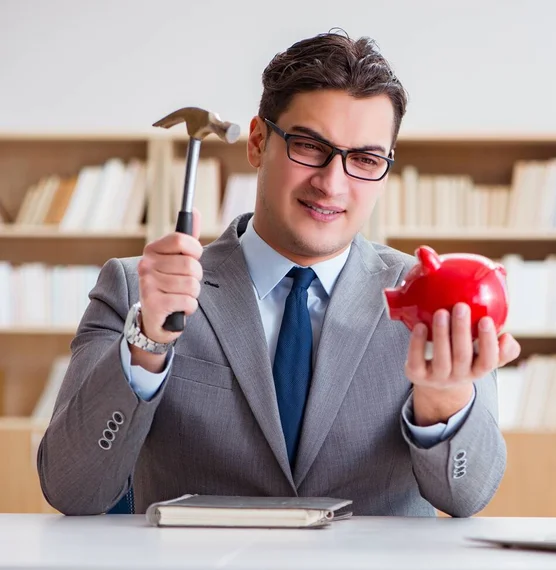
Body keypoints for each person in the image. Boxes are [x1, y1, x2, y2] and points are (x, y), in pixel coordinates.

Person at [37, 30, 521, 518]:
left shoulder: (429, 296)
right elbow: (72, 489)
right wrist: (147, 346)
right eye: (310, 146)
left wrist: (445, 401)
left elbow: (467, 497)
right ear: (257, 142)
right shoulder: (138, 290)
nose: (332, 184)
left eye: (366, 159)